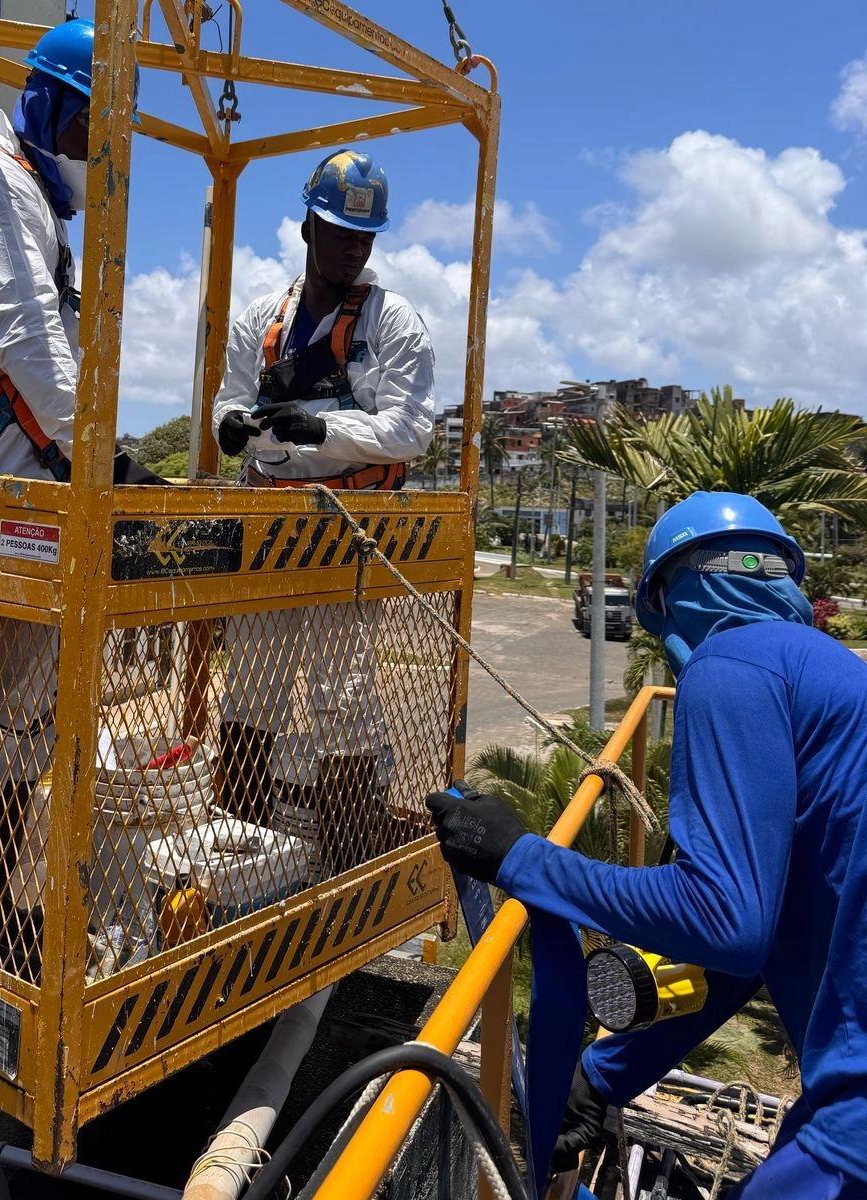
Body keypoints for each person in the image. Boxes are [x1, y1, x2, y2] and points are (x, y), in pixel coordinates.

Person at [426, 490, 867, 1197]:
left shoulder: (734, 665)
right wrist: (604, 1077)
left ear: (662, 599)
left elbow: (723, 919)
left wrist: (520, 857)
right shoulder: (833, 675)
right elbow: (751, 948)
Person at [0, 19, 150, 979]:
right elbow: (35, 351)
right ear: (49, 105)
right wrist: (109, 467)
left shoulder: (32, 201)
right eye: (93, 127)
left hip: (30, 485)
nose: (98, 152)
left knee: (15, 724)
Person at [210, 149, 436, 875]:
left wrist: (323, 431)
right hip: (269, 523)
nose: (354, 250)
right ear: (309, 226)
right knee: (252, 688)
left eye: (365, 238)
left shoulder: (392, 322)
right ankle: (235, 853)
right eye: (341, 233)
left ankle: (349, 860)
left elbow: (410, 431)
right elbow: (230, 396)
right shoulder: (262, 319)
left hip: (350, 529)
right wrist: (230, 425)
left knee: (343, 696)